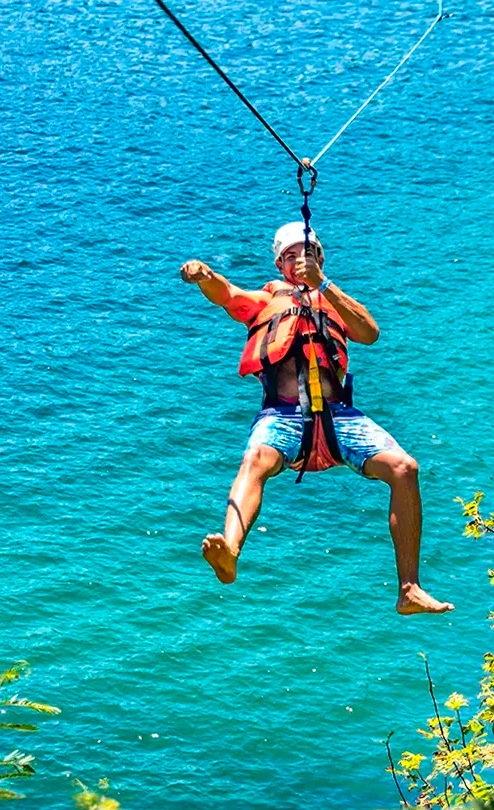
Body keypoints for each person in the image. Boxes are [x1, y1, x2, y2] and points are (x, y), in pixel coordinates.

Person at [181, 223, 453, 616]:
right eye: (289, 256)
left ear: (319, 258)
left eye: (305, 254)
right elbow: (228, 296)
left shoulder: (334, 300)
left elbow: (369, 332)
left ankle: (409, 589)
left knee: (404, 467)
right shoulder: (267, 299)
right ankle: (230, 552)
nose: (298, 261)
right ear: (279, 264)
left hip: (338, 416)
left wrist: (323, 285)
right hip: (284, 413)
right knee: (255, 459)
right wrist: (205, 276)